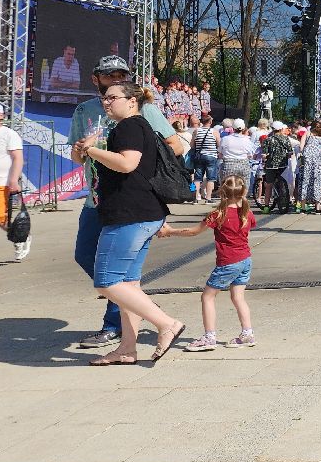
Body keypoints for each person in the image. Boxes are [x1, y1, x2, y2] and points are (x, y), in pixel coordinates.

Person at [70, 55, 188, 350]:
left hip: (129, 201)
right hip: (97, 199)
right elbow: (77, 156)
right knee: (87, 257)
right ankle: (132, 319)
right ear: (96, 79)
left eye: (121, 75)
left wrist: (143, 174)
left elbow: (173, 146)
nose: (116, 79)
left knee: (112, 277)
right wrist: (84, 149)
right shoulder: (84, 110)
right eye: (109, 75)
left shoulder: (140, 110)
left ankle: (116, 324)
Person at [158, 176, 258, 351]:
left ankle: (209, 337)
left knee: (207, 297)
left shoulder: (218, 214)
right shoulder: (246, 213)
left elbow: (193, 231)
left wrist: (170, 231)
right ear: (243, 192)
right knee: (238, 297)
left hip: (228, 263)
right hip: (245, 260)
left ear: (222, 193)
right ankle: (247, 333)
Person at [0, 101, 30, 261]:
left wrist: (13, 179)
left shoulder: (9, 134)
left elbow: (17, 158)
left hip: (2, 182)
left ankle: (21, 236)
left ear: (1, 116)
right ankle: (19, 235)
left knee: (0, 219)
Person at [296, 121, 321, 213]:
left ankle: (303, 207)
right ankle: (317, 207)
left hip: (307, 160)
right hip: (319, 161)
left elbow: (301, 147)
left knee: (305, 181)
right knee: (318, 182)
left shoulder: (307, 134)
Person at [189, 114, 220, 204]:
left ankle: (195, 198)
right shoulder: (214, 132)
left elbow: (192, 145)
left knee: (197, 178)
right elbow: (219, 144)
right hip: (211, 156)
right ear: (210, 122)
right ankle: (208, 198)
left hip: (199, 156)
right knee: (211, 178)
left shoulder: (196, 131)